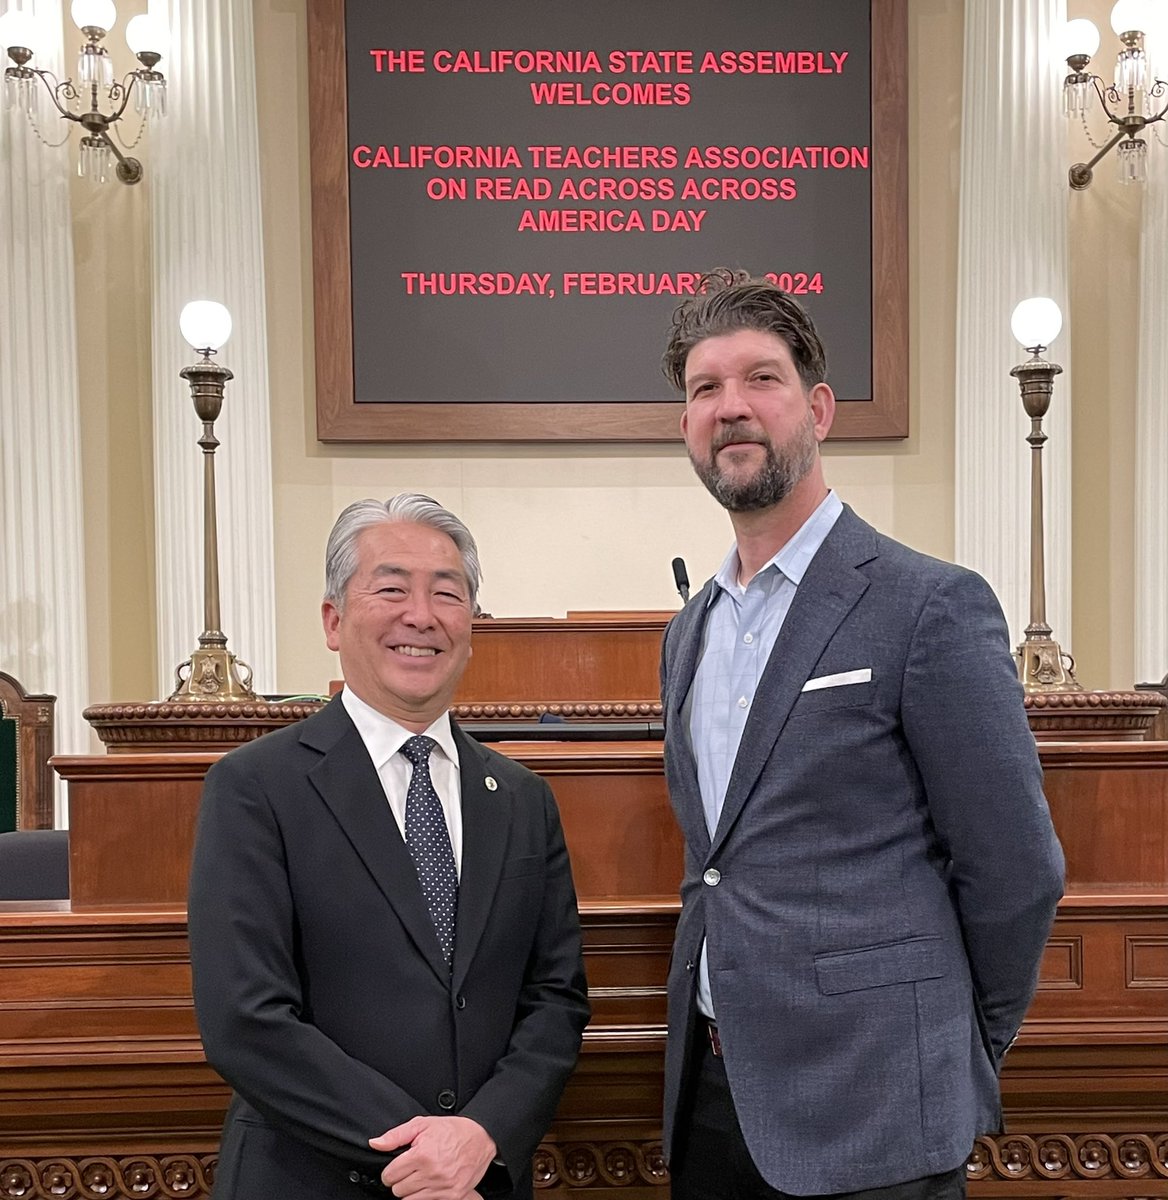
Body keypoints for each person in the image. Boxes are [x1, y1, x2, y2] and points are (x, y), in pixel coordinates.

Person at [657, 270, 1064, 1200]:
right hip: (714, 1102)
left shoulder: (928, 604)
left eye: (761, 379)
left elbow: (1016, 868)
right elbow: (715, 865)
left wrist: (952, 1040)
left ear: (819, 408)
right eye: (704, 389)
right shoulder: (691, 630)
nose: (731, 408)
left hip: (876, 1104)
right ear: (685, 426)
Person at [188, 494, 590, 1200]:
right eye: (391, 588)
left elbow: (555, 1000)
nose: (421, 616)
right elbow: (245, 1019)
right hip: (309, 1178)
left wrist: (481, 1136)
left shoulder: (523, 798)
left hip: (480, 1178)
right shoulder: (255, 788)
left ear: (471, 626)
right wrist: (423, 1148)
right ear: (333, 620)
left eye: (447, 593)